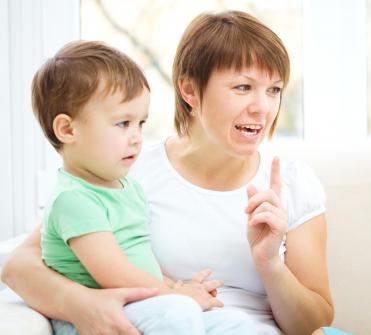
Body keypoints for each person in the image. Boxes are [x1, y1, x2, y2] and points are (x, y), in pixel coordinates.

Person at [2, 11, 334, 335]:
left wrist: (270, 262)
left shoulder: (292, 184)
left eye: (274, 90)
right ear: (190, 91)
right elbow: (19, 266)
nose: (263, 107)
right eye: (243, 87)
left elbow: (311, 323)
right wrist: (82, 305)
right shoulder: (126, 169)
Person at [31, 40, 252, 335]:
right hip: (103, 315)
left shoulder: (128, 187)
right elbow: (113, 273)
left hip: (145, 305)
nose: (136, 137)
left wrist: (177, 286)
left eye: (140, 124)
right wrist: (177, 296)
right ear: (68, 130)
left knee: (234, 323)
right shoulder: (73, 199)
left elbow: (141, 260)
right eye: (122, 124)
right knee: (179, 312)